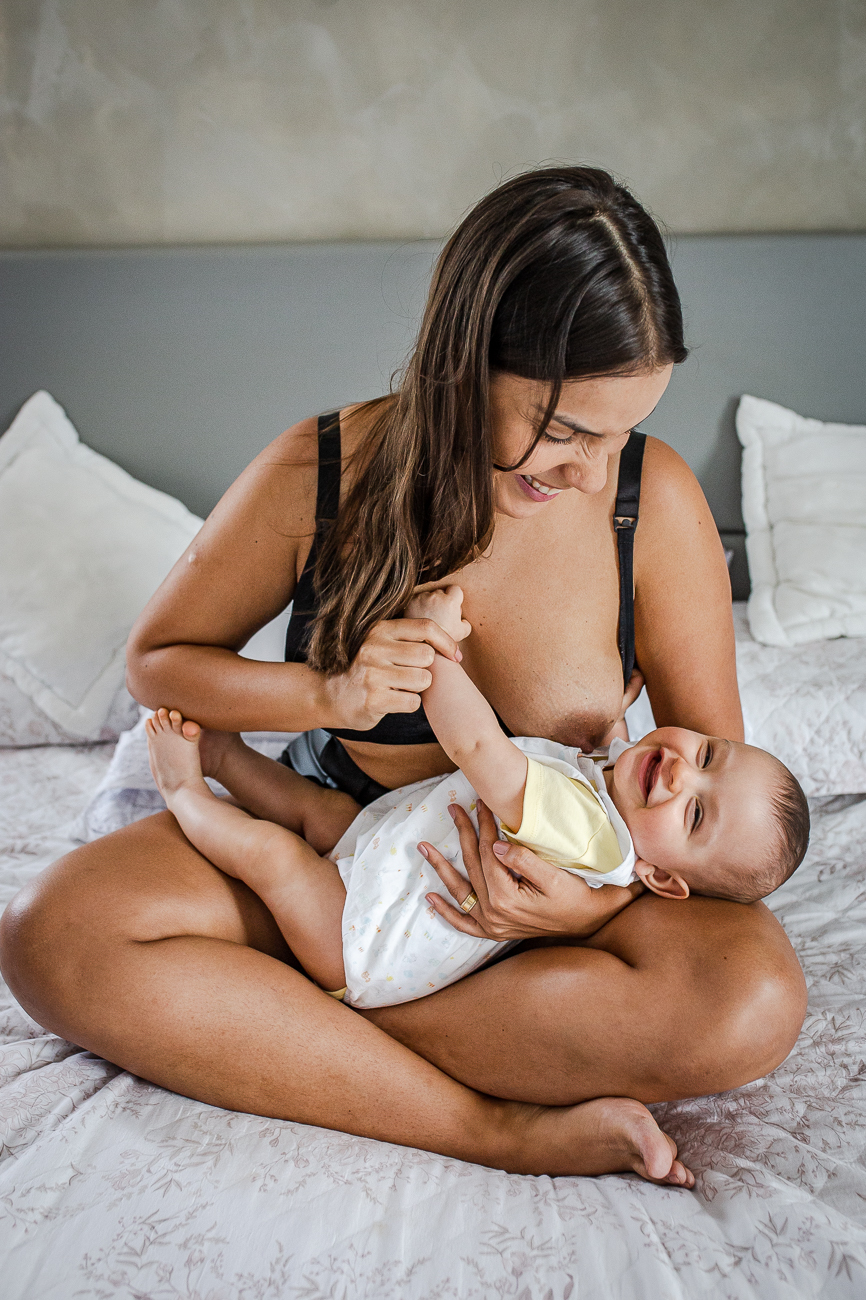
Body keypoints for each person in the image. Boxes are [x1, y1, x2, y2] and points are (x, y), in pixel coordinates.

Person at [0, 166, 807, 1186]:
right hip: (346, 861)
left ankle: (296, 1024)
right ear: (464, 358)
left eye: (621, 432)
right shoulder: (326, 470)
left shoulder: (652, 506)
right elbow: (159, 660)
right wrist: (326, 697)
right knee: (52, 934)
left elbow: (716, 838)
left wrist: (583, 912)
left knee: (756, 995)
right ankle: (486, 1123)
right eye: (563, 431)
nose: (592, 473)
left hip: (547, 919)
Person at [143, 585, 809, 1012]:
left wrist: (434, 646)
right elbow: (605, 769)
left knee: (276, 855)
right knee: (324, 814)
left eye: (694, 812)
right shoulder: (610, 811)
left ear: (660, 877)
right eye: (707, 755)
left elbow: (478, 750)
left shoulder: (587, 831)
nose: (679, 774)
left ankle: (185, 791)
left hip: (355, 944)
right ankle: (227, 754)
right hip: (373, 869)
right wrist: (614, 734)